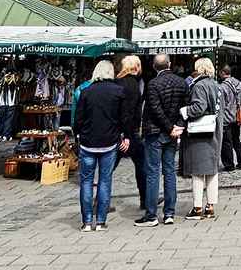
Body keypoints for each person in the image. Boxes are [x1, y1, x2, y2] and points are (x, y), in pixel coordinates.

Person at [137, 54, 188, 227]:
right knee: (169, 172)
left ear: (154, 66)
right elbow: (186, 107)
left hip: (156, 132)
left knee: (153, 172)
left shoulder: (153, 84)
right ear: (170, 64)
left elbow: (155, 109)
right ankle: (169, 213)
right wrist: (178, 126)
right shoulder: (181, 82)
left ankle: (151, 215)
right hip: (172, 133)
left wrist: (170, 127)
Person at [75, 59, 125, 232]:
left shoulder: (86, 92)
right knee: (105, 181)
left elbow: (78, 119)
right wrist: (121, 134)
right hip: (109, 141)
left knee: (86, 181)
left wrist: (78, 134)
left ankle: (87, 222)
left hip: (88, 142)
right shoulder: (118, 91)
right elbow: (122, 117)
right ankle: (101, 221)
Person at [180, 58, 224, 220]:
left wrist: (185, 111)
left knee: (198, 171)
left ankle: (197, 208)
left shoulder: (199, 86)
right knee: (212, 170)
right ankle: (210, 206)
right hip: (215, 131)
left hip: (200, 134)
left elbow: (199, 107)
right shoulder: (216, 85)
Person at [118, 55, 147, 212]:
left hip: (117, 131)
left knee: (108, 168)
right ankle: (145, 199)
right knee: (142, 164)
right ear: (136, 67)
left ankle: (99, 201)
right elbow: (128, 112)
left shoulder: (117, 82)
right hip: (130, 132)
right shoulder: (132, 85)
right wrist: (128, 135)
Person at [218, 64, 241, 171]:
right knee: (236, 140)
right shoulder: (239, 83)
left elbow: (221, 104)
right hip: (236, 116)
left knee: (226, 142)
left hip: (226, 118)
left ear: (222, 73)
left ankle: (229, 164)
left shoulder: (222, 87)